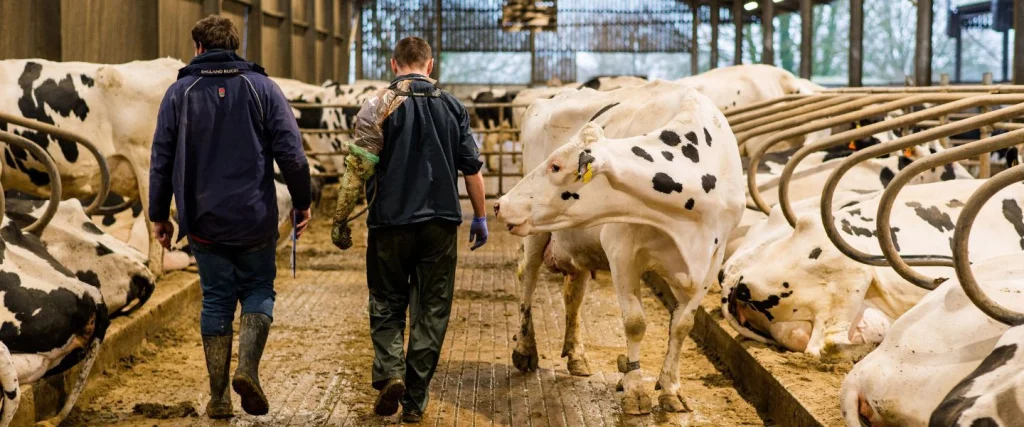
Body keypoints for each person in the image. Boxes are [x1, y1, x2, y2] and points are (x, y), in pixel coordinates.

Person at [149, 15, 312, 419]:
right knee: (259, 289)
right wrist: (302, 201)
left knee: (217, 300)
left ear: (199, 48)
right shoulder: (263, 89)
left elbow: (161, 160)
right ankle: (247, 368)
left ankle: (219, 397)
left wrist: (159, 215)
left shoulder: (179, 92)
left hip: (204, 222)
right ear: (235, 46)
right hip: (255, 218)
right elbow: (292, 153)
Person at [331, 36, 488, 423]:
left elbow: (356, 170)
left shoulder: (377, 105)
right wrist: (480, 217)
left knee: (386, 303)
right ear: (430, 65)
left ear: (393, 63)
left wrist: (339, 219)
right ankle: (415, 402)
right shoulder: (453, 107)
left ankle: (392, 372)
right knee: (431, 311)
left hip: (389, 224)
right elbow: (472, 170)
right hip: (440, 225)